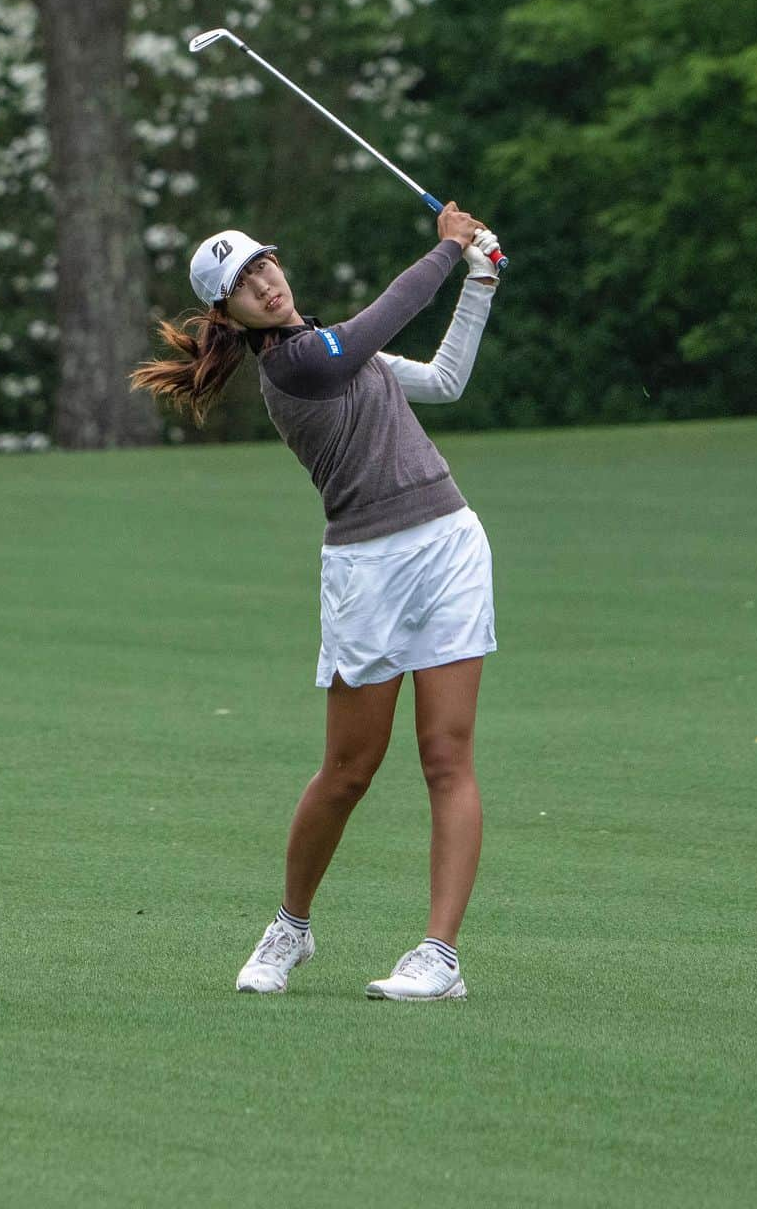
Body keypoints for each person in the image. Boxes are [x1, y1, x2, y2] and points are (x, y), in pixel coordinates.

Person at [129, 202, 500, 1001]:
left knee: (446, 756)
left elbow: (442, 381)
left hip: (449, 544)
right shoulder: (298, 365)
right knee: (347, 770)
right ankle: (290, 927)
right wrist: (445, 252)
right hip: (368, 566)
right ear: (226, 313)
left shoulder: (342, 353)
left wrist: (480, 280)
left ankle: (440, 956)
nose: (264, 281)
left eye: (264, 265)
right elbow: (371, 326)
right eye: (243, 283)